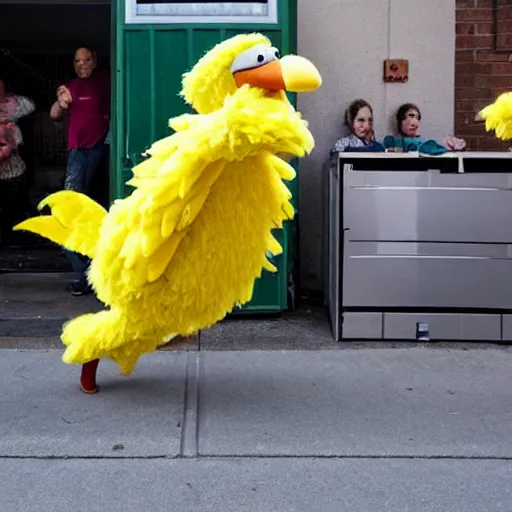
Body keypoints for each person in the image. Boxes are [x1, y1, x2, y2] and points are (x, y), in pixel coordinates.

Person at [50, 47, 110, 296]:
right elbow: (54, 115)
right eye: (77, 60)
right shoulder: (70, 87)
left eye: (86, 59)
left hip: (100, 150)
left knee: (98, 211)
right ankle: (88, 274)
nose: (82, 64)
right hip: (78, 154)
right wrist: (60, 100)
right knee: (68, 212)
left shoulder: (105, 84)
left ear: (94, 62)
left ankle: (95, 274)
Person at [0, 78, 35, 245]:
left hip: (13, 173)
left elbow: (14, 145)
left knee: (14, 206)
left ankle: (16, 237)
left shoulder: (12, 113)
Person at [384, 102, 466, 153]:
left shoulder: (423, 142)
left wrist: (450, 143)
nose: (415, 123)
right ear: (400, 119)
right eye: (411, 116)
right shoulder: (390, 141)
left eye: (417, 118)